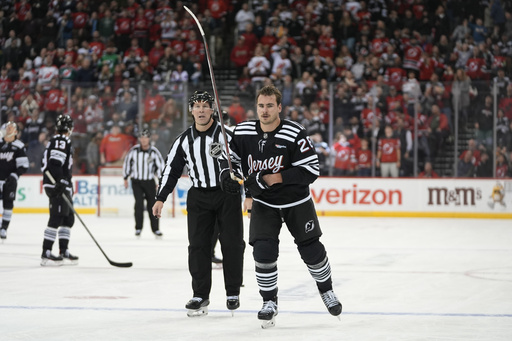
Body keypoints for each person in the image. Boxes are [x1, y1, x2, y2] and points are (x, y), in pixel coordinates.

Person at [219, 85, 342, 328]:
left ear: (279, 107)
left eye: (269, 106)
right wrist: (226, 175)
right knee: (263, 251)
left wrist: (279, 178)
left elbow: (312, 169)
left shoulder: (294, 132)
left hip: (297, 203)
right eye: (261, 106)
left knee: (311, 250)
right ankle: (269, 302)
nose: (264, 111)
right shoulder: (243, 132)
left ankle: (327, 292)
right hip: (264, 204)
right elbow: (229, 159)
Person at [152, 91, 245, 317]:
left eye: (205, 105)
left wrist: (243, 187)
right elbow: (171, 170)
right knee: (198, 246)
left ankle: (232, 291)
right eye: (197, 106)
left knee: (232, 243)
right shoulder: (183, 140)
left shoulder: (227, 134)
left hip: (227, 196)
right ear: (191, 110)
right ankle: (200, 294)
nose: (201, 110)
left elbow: (243, 162)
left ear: (212, 109)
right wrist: (160, 197)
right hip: (199, 197)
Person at [40, 115, 78, 266]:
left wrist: (65, 182)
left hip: (60, 184)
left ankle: (64, 250)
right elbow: (55, 163)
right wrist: (61, 180)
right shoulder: (61, 140)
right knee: (57, 217)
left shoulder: (58, 140)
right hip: (56, 184)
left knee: (67, 218)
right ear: (69, 128)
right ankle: (46, 252)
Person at [123, 129, 165, 237]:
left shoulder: (154, 151)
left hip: (149, 181)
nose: (144, 140)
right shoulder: (134, 151)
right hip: (136, 181)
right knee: (139, 204)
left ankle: (155, 229)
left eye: (146, 137)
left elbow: (160, 167)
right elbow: (127, 163)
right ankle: (138, 228)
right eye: (142, 137)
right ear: (139, 139)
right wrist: (125, 177)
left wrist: (161, 181)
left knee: (153, 204)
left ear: (149, 139)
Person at [0, 122, 29, 240]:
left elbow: (23, 165)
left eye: (11, 127)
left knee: (8, 205)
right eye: (7, 127)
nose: (9, 129)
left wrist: (15, 175)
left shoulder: (19, 146)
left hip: (9, 181)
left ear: (16, 131)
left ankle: (4, 229)